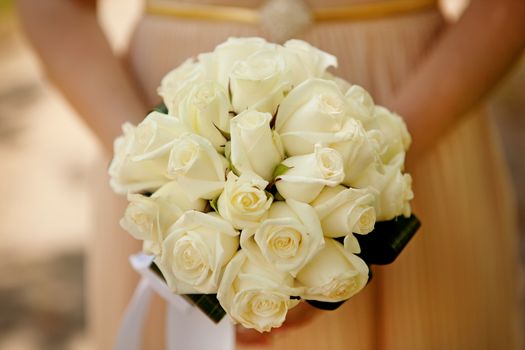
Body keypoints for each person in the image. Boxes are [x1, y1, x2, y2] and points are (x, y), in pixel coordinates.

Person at [16, 0, 525, 349]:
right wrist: (158, 172)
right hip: (169, 121)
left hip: (426, 102)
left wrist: (374, 162)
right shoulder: (162, 166)